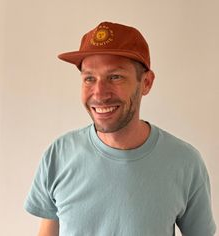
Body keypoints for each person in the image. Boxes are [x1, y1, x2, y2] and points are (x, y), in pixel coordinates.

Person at [24, 21, 216, 236]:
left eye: (115, 77)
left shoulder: (184, 162)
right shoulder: (59, 154)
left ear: (146, 83)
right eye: (89, 78)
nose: (99, 93)